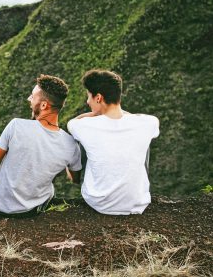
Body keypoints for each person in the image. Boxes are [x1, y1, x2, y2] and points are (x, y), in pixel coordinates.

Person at [0, 74, 82, 217]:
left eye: (32, 96)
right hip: (30, 211)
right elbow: (75, 179)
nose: (29, 99)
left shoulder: (16, 125)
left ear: (43, 105)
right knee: (50, 189)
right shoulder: (71, 145)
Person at [67, 69, 159, 215]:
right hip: (137, 203)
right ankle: (132, 188)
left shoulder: (82, 125)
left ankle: (76, 180)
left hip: (99, 203)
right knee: (141, 142)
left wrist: (95, 113)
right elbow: (136, 118)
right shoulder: (149, 123)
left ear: (98, 98)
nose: (87, 101)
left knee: (82, 141)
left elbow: (72, 123)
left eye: (89, 97)